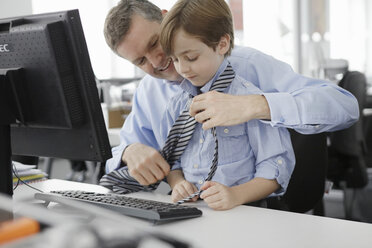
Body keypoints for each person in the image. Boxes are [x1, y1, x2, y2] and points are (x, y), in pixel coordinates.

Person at [103, 0, 359, 187]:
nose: (157, 61)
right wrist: (128, 151)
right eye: (140, 61)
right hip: (192, 210)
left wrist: (256, 105)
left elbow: (344, 106)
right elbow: (117, 155)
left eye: (154, 43)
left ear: (166, 18)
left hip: (256, 211)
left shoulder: (247, 66)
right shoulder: (149, 91)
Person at [155, 0, 295, 210]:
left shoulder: (249, 100)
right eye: (174, 59)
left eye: (191, 57)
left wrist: (235, 195)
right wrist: (178, 183)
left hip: (244, 210)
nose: (182, 69)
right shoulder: (177, 105)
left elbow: (276, 167)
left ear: (222, 44)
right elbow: (172, 163)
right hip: (195, 211)